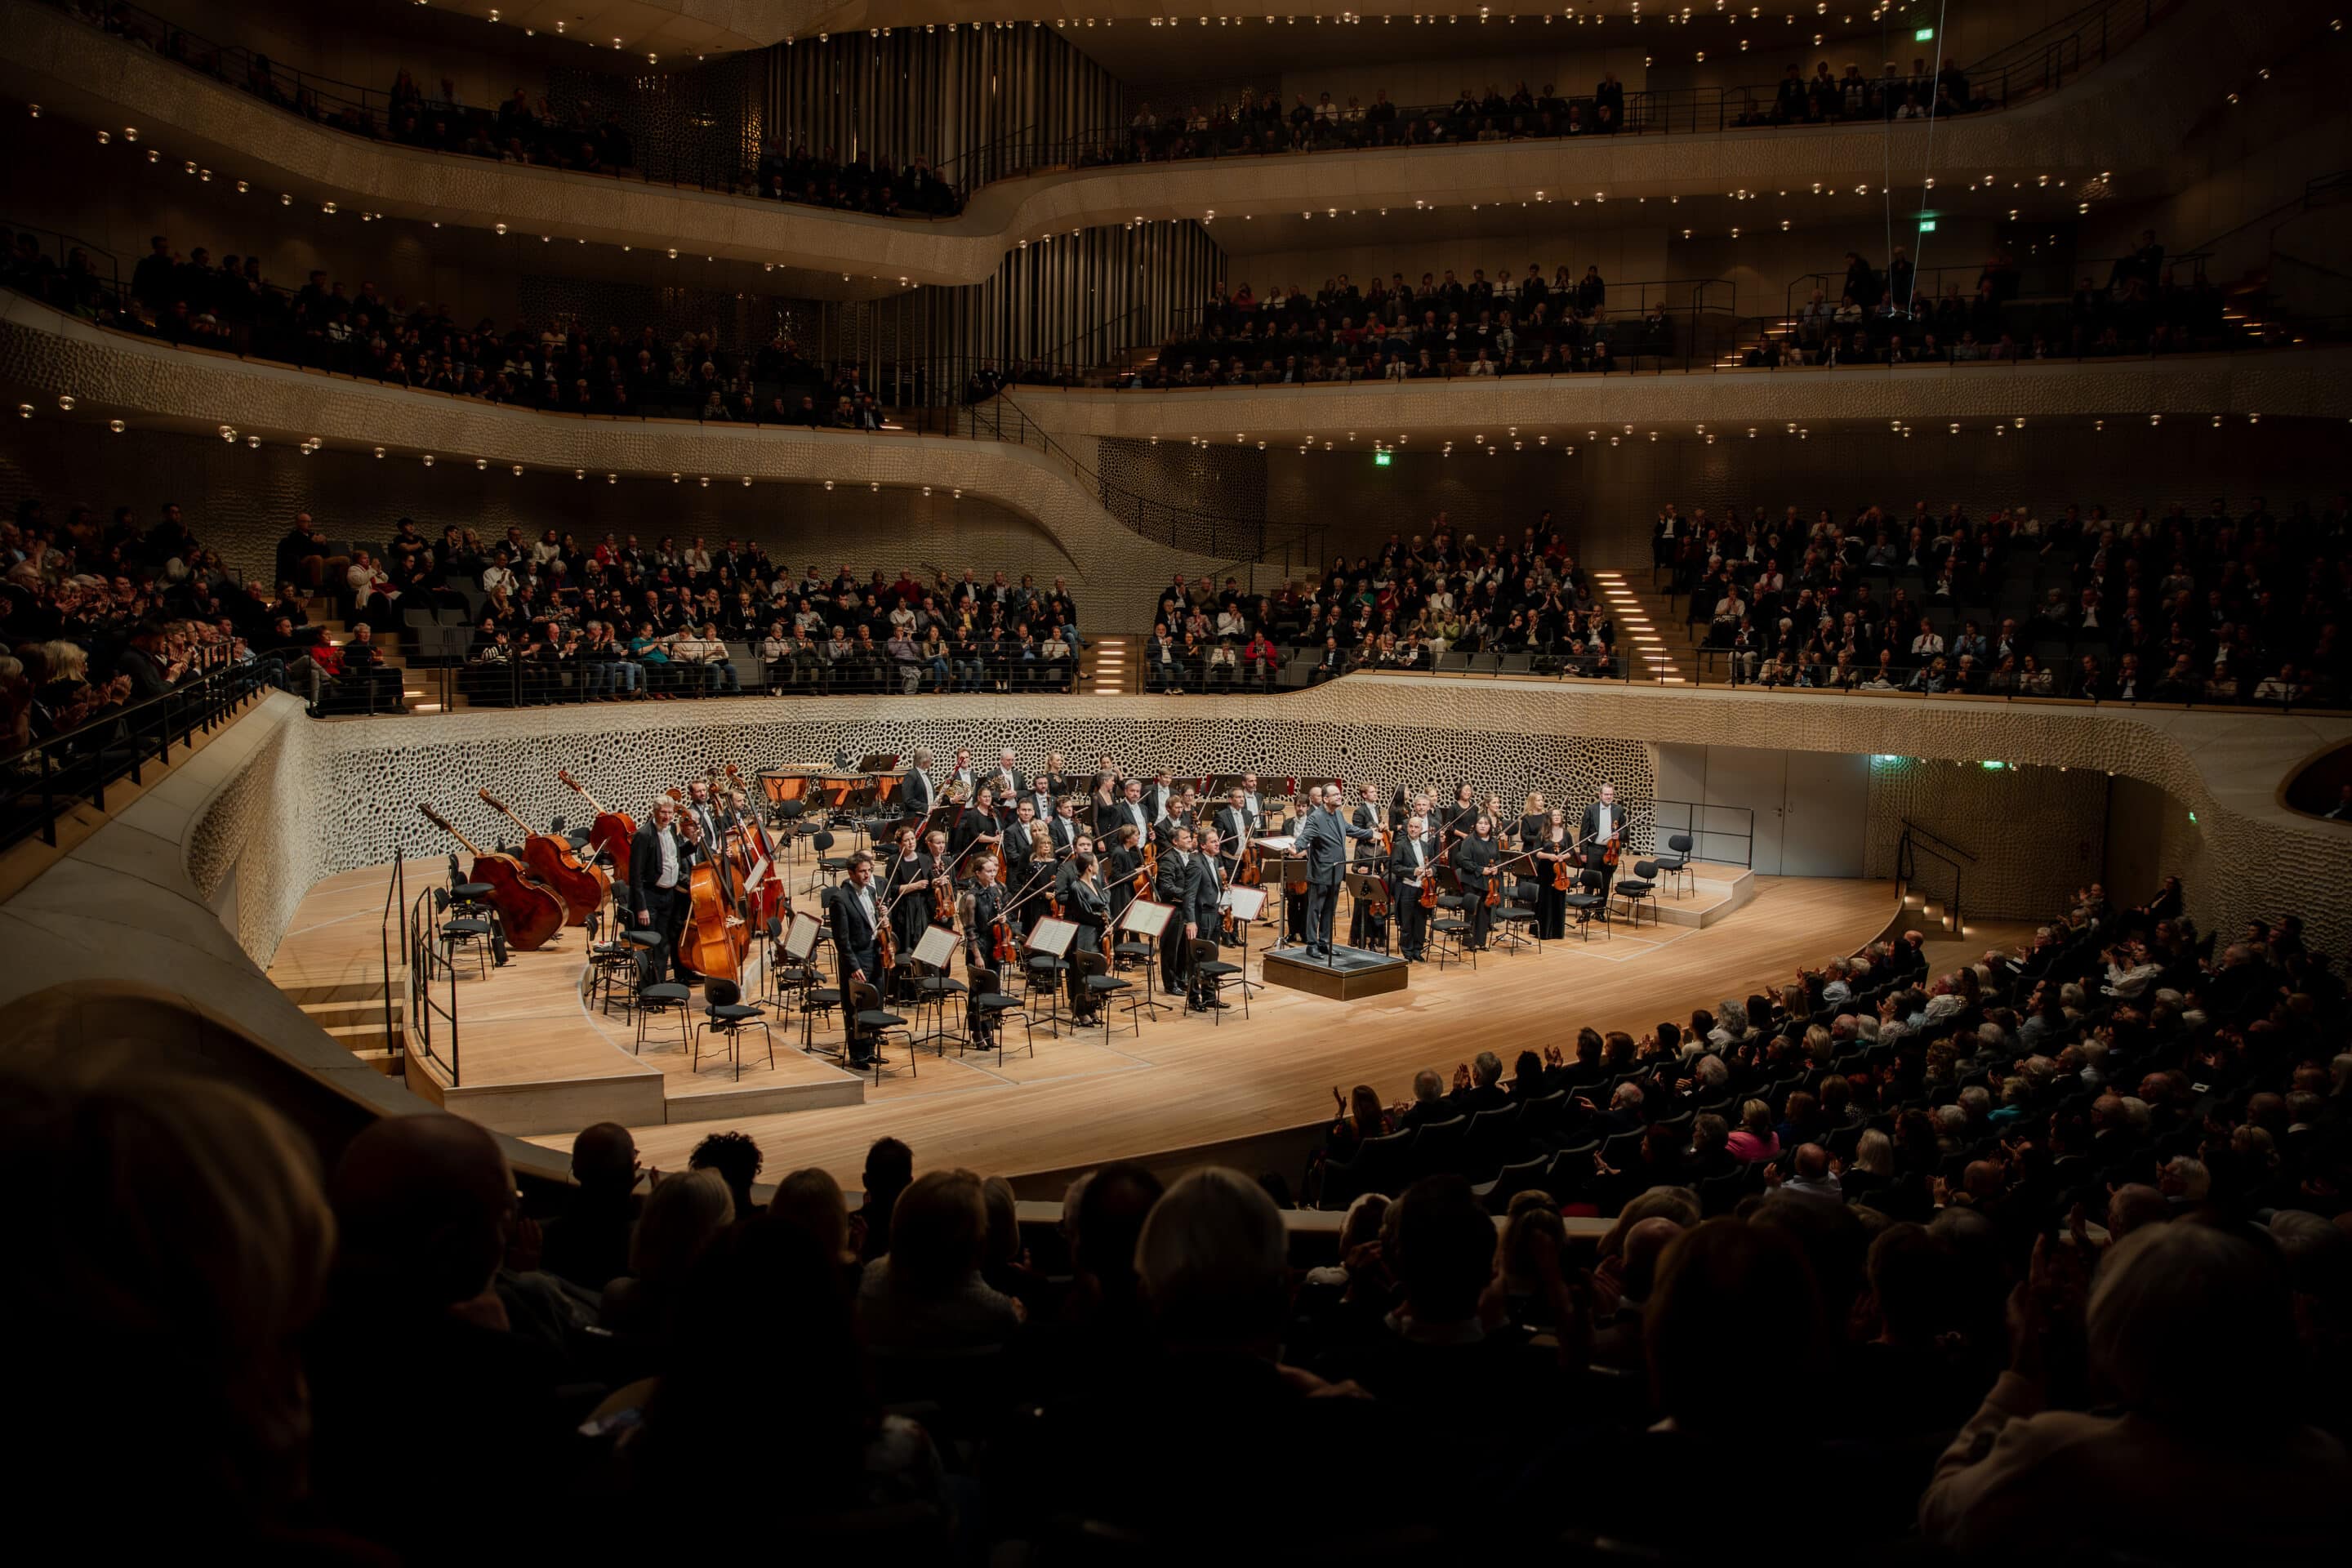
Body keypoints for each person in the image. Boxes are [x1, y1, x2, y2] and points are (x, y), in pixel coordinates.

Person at [1921, 1224, 2352, 1558]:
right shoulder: (2328, 1467)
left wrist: (2023, 1373)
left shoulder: (2059, 1453)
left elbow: (1941, 1514)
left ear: (2118, 1342)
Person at [1294, 782, 1374, 960]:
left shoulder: (1338, 814)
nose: (1339, 796)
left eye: (1339, 794)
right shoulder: (1316, 817)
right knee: (1315, 910)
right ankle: (1312, 945)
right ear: (1325, 798)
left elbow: (1349, 829)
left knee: (1330, 910)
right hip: (1321, 871)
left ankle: (1324, 943)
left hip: (1336, 871)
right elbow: (1305, 836)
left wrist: (1369, 833)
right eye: (1335, 794)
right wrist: (1297, 847)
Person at [629, 795, 700, 984]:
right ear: (655, 812)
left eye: (670, 812)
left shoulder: (672, 830)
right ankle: (646, 988)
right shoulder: (644, 835)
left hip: (668, 896)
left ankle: (659, 986)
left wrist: (692, 844)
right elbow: (635, 875)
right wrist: (642, 907)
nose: (667, 816)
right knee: (649, 945)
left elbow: (673, 857)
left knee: (663, 944)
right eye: (663, 812)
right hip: (650, 897)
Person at [828, 853, 889, 1068]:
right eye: (862, 871)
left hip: (875, 953)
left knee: (876, 1002)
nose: (867, 875)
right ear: (851, 873)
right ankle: (857, 1055)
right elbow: (841, 940)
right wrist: (853, 966)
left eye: (869, 871)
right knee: (856, 1007)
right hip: (857, 957)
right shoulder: (840, 899)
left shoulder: (871, 892)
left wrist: (884, 916)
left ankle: (870, 1049)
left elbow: (874, 923)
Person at [1389, 810, 1441, 960]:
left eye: (1416, 827)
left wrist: (1432, 870)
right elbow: (1394, 867)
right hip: (1407, 888)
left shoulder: (1426, 845)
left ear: (1421, 829)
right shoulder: (1400, 845)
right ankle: (1407, 951)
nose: (1413, 829)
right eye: (1411, 826)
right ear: (1407, 828)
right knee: (1407, 922)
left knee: (1420, 922)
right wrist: (1412, 871)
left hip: (1423, 889)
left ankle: (1418, 950)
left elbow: (1434, 864)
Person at [1579, 782, 1628, 906]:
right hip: (1594, 849)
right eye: (1606, 794)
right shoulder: (1591, 809)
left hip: (1611, 851)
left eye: (1611, 794)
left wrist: (1619, 835)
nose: (1609, 797)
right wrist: (1583, 852)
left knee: (1605, 883)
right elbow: (1584, 832)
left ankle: (1600, 910)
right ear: (1600, 795)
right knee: (1590, 882)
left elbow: (1625, 830)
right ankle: (1586, 911)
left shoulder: (1618, 809)